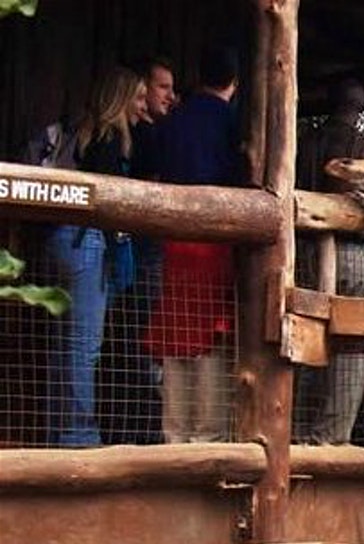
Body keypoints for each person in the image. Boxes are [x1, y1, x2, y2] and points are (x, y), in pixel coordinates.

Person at [143, 44, 242, 443]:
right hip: (216, 247)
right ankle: (207, 442)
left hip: (173, 246)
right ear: (235, 82)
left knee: (176, 338)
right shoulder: (235, 122)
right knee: (211, 343)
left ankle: (174, 438)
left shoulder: (172, 120)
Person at [44, 65, 147, 447]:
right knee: (84, 344)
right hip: (86, 243)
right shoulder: (111, 139)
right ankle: (78, 435)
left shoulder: (84, 131)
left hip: (63, 242)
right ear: (120, 99)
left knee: (64, 342)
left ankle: (59, 429)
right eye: (137, 97)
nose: (142, 105)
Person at [293, 77, 364, 444]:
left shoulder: (308, 142)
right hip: (352, 251)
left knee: (308, 333)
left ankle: (297, 427)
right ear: (358, 108)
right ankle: (333, 434)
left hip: (306, 249)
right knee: (351, 340)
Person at [100, 55, 177, 444]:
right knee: (134, 342)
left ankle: (130, 428)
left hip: (133, 254)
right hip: (136, 254)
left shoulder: (141, 134)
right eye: (161, 88)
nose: (169, 97)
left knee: (132, 340)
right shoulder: (140, 136)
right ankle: (137, 431)